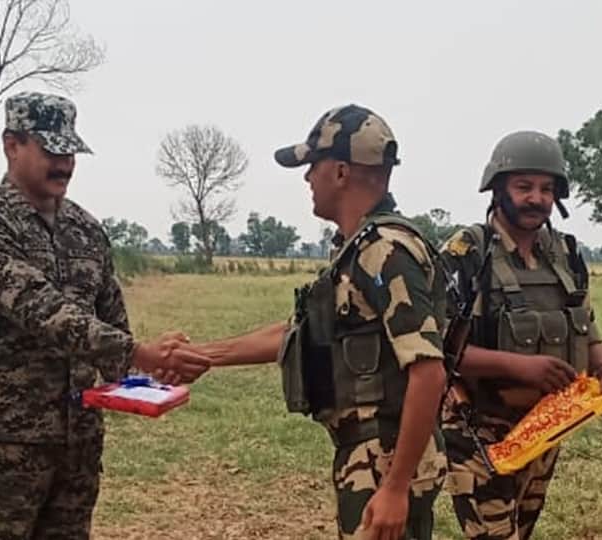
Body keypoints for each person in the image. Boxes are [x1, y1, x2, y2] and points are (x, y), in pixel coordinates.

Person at [0, 91, 211, 540]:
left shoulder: (86, 230)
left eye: (70, 151)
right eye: (51, 150)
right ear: (13, 145)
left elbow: (111, 326)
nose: (65, 163)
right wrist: (138, 352)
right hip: (3, 445)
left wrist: (154, 369)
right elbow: (41, 309)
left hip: (78, 443)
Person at [187, 104, 448, 539]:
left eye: (312, 166)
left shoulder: (384, 251)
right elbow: (297, 333)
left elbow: (428, 371)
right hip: (369, 453)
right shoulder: (356, 247)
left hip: (385, 457)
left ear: (341, 172)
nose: (307, 178)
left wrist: (396, 488)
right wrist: (204, 356)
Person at [438, 130, 602, 540]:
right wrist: (518, 366)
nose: (536, 198)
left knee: (521, 531)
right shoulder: (466, 254)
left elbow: (587, 324)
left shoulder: (566, 254)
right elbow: (438, 352)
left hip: (543, 427)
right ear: (497, 189)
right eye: (524, 187)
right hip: (478, 427)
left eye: (546, 189)